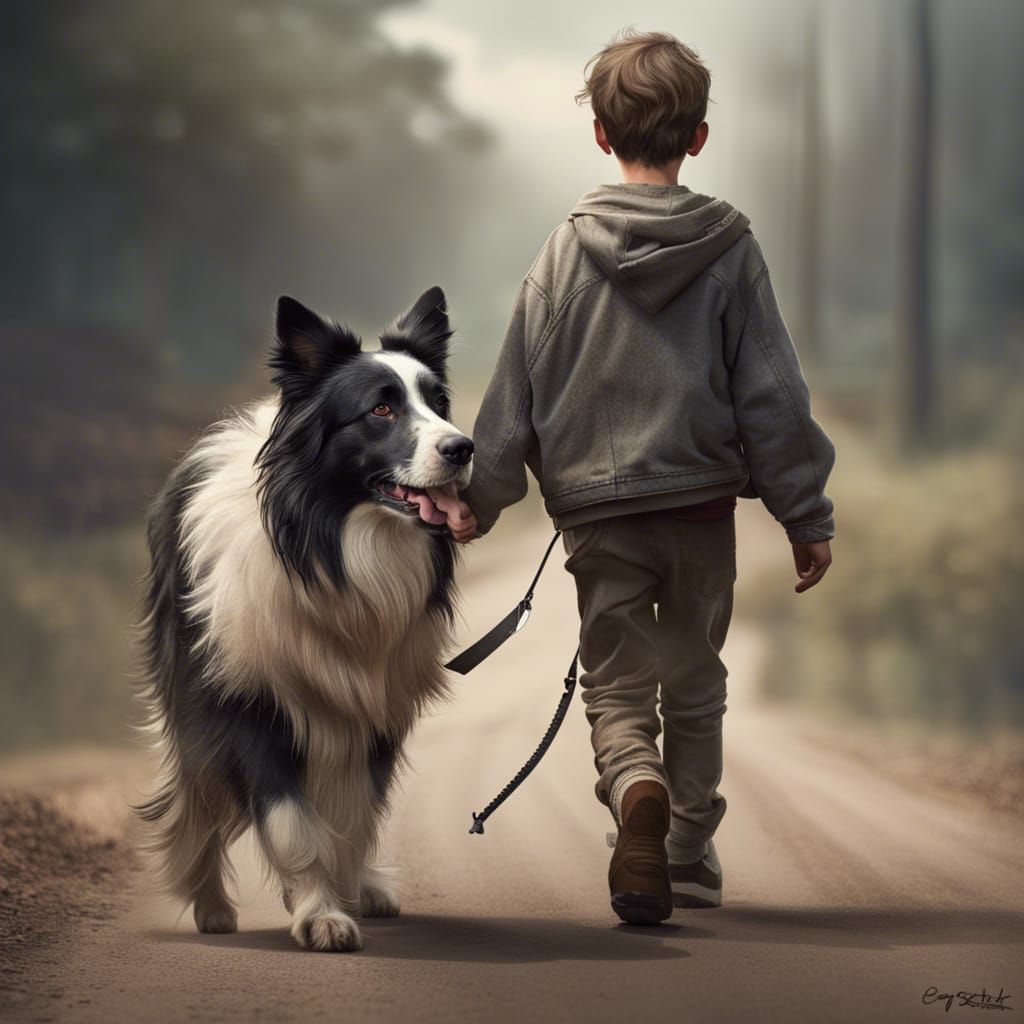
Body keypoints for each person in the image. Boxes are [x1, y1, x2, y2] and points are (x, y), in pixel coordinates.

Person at [445, 28, 835, 925]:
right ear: (698, 136)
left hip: (601, 518)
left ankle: (635, 789)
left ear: (600, 134)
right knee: (696, 676)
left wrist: (479, 502)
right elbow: (774, 394)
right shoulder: (731, 250)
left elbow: (513, 396)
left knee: (617, 681)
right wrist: (804, 513)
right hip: (699, 511)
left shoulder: (561, 256)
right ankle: (688, 847)